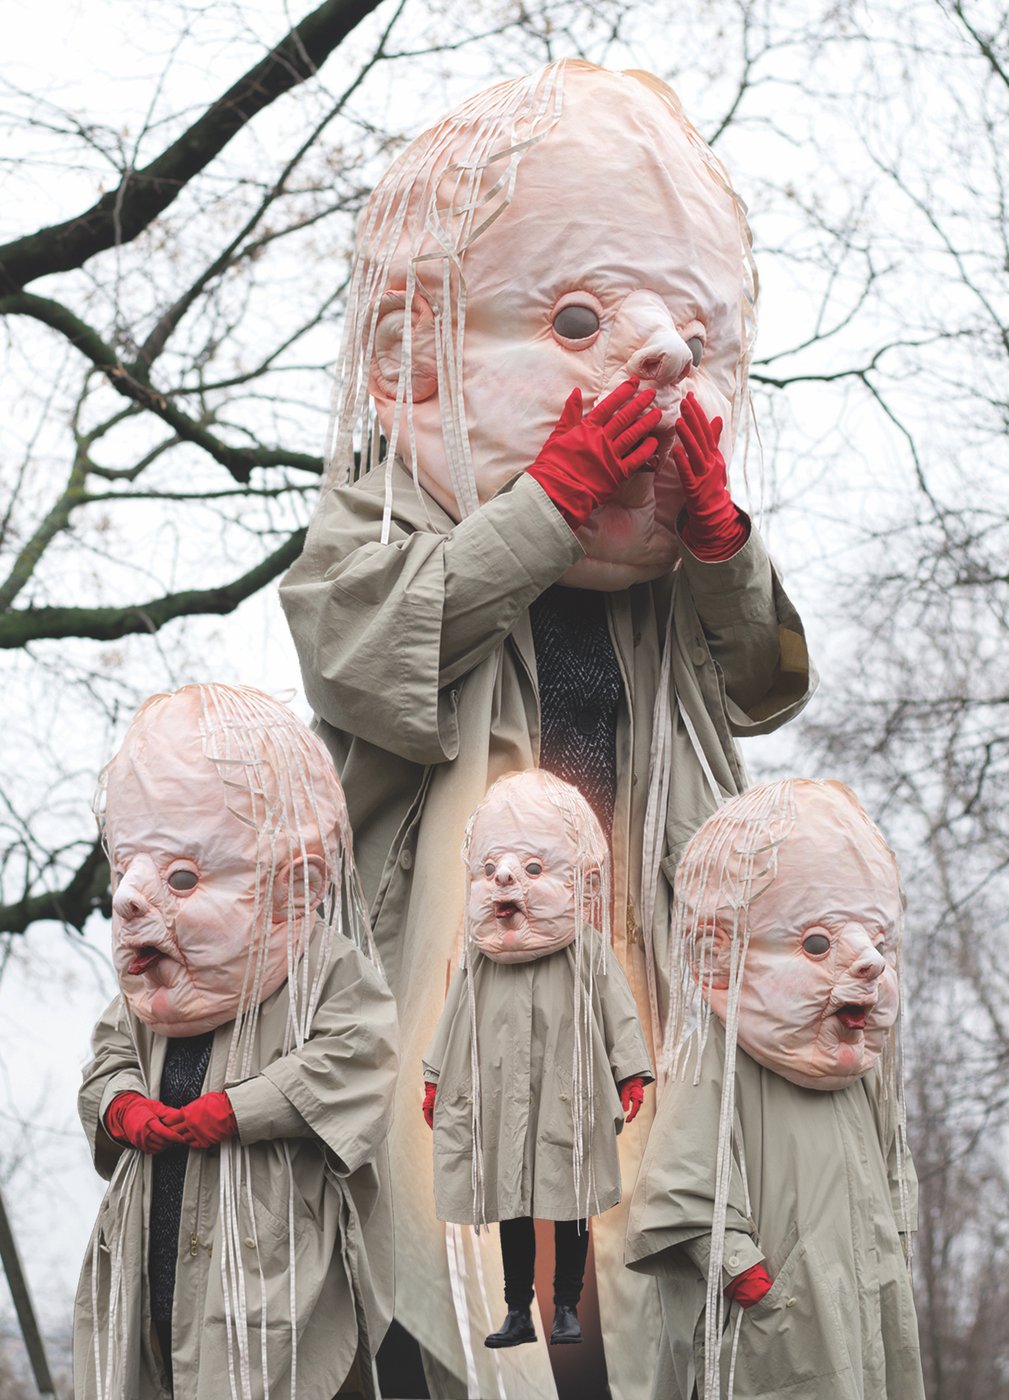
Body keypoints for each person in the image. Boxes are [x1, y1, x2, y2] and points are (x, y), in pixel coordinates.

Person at [281, 59, 815, 1400]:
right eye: (576, 318)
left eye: (680, 339)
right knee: (459, 1295)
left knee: (639, 1305)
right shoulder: (381, 507)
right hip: (457, 994)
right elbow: (362, 660)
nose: (653, 361)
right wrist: (544, 504)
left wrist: (718, 545)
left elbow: (761, 686)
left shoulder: (666, 568)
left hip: (636, 985)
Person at [73, 684, 399, 1400]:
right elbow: (110, 1057)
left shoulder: (326, 968)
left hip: (265, 1240)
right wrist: (122, 1105)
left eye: (183, 877)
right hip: (153, 1225)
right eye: (128, 867)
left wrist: (240, 1108)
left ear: (294, 884)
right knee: (161, 1351)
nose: (131, 899)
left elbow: (357, 1056)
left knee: (265, 1362)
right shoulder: (146, 987)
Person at [625, 780, 925, 1400]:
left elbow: (894, 1178)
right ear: (718, 954)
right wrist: (745, 1276)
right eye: (818, 944)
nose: (868, 963)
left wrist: (893, 1255)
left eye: (878, 942)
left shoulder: (861, 1073)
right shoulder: (719, 1055)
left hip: (862, 1298)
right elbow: (680, 1186)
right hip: (772, 1315)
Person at [422, 771, 652, 1348]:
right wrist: (434, 1078)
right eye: (495, 867)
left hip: (567, 1088)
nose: (505, 880)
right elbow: (453, 1019)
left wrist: (630, 1070)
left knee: (569, 1195)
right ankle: (518, 1310)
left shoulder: (585, 950)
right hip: (499, 1094)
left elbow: (617, 1010)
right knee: (512, 1203)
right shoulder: (479, 959)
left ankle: (566, 1306)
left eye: (530, 869)